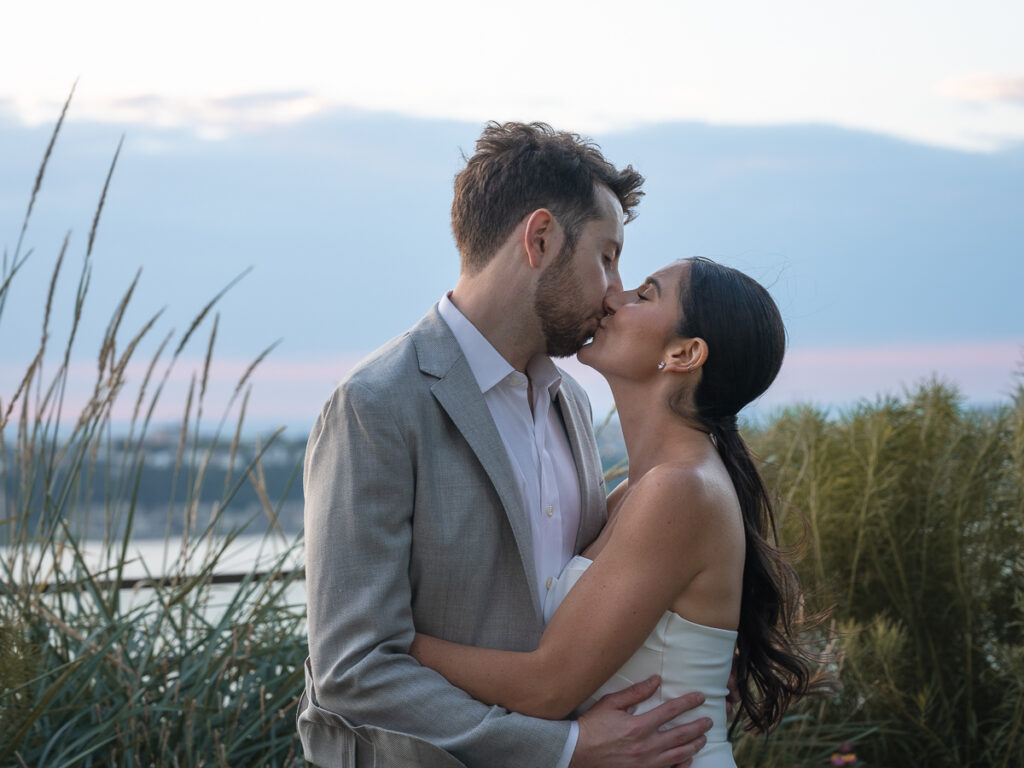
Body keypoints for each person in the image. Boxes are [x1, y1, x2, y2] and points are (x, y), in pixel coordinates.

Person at [298, 123, 715, 767]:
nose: (614, 290)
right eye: (606, 256)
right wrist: (560, 750)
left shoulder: (570, 403)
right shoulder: (376, 404)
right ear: (541, 239)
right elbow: (353, 671)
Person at [409, 257, 823, 768]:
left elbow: (548, 686)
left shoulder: (680, 490)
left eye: (645, 295)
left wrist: (390, 643)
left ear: (684, 353)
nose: (614, 297)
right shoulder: (641, 488)